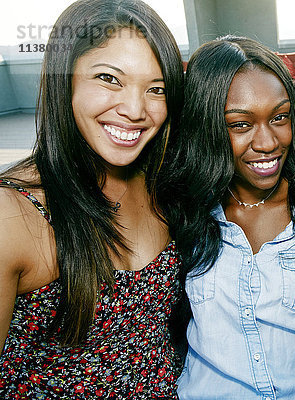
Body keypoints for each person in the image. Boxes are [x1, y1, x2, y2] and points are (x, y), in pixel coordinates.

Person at [166, 36, 295, 400]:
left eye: (279, 118)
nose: (268, 142)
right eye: (241, 124)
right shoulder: (183, 206)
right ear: (208, 127)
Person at [0, 0, 184, 397]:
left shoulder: (163, 184)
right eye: (109, 78)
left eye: (157, 89)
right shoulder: (11, 214)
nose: (136, 110)